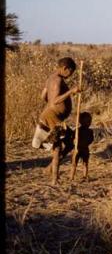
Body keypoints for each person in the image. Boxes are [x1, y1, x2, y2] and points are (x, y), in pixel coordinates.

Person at [32, 57, 81, 185]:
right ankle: (55, 179)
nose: (70, 75)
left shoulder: (51, 78)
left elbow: (43, 96)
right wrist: (71, 91)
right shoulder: (57, 80)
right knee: (58, 147)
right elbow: (54, 100)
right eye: (71, 72)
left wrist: (52, 107)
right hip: (52, 117)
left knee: (69, 143)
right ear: (65, 69)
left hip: (53, 115)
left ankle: (49, 169)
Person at [69, 112, 94, 181]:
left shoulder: (90, 131)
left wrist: (85, 143)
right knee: (74, 164)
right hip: (77, 149)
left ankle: (85, 176)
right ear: (81, 121)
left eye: (89, 121)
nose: (89, 123)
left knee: (85, 163)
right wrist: (75, 142)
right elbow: (72, 139)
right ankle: (71, 177)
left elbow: (91, 139)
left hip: (85, 149)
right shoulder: (77, 130)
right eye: (87, 121)